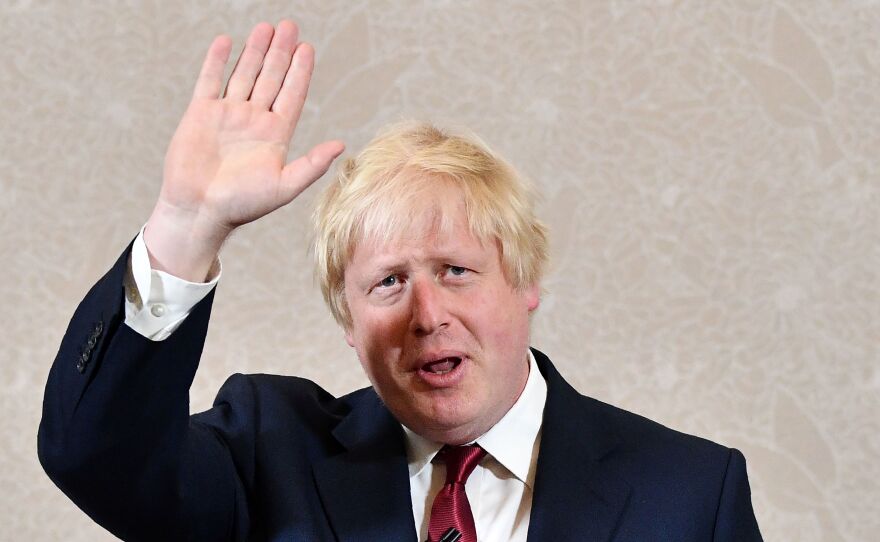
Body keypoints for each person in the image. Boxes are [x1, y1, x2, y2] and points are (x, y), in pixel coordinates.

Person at [38, 19, 762, 542]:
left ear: (524, 281)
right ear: (349, 325)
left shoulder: (690, 494)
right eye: (387, 282)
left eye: (456, 270)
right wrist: (185, 226)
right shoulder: (269, 455)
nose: (427, 314)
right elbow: (95, 457)